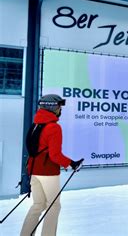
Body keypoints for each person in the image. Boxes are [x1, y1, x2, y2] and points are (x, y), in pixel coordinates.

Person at [21, 94, 83, 236]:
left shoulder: (35, 125)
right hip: (48, 173)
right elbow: (55, 155)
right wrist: (72, 164)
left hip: (33, 171)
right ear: (53, 107)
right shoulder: (54, 127)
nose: (60, 109)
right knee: (53, 205)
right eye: (59, 106)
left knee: (38, 205)